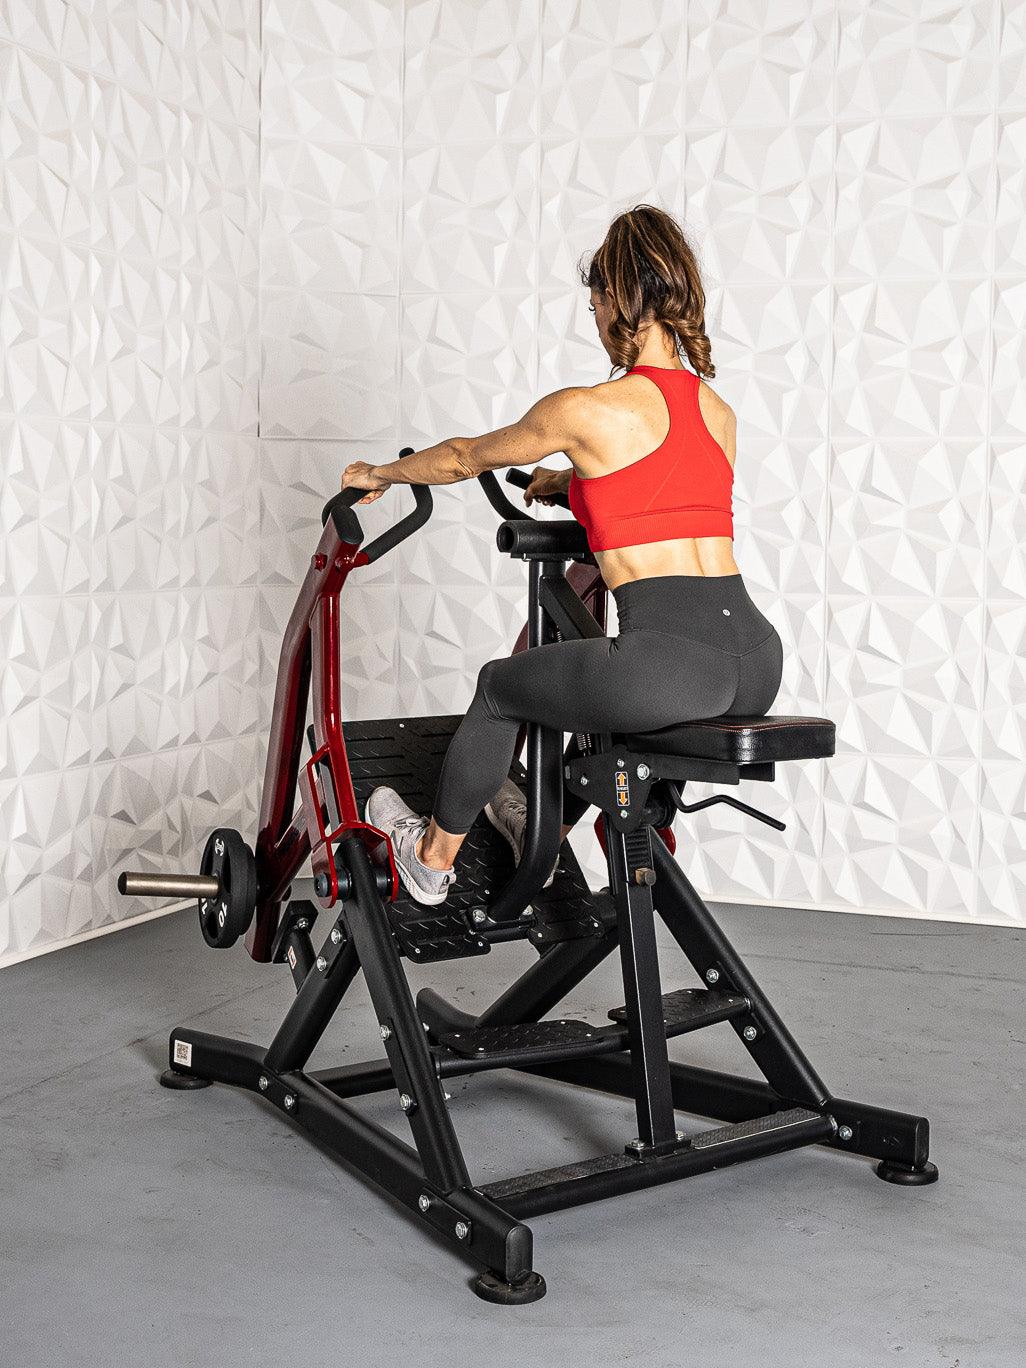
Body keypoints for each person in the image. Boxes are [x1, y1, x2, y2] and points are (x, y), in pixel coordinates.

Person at [340, 205, 783, 905]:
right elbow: (665, 490)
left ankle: (429, 857)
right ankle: (547, 826)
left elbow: (461, 459)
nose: (594, 314)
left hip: (669, 669)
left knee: (501, 686)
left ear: (619, 298)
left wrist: (379, 475)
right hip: (756, 660)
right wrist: (566, 484)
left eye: (596, 299)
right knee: (597, 704)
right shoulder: (716, 412)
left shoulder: (585, 410)